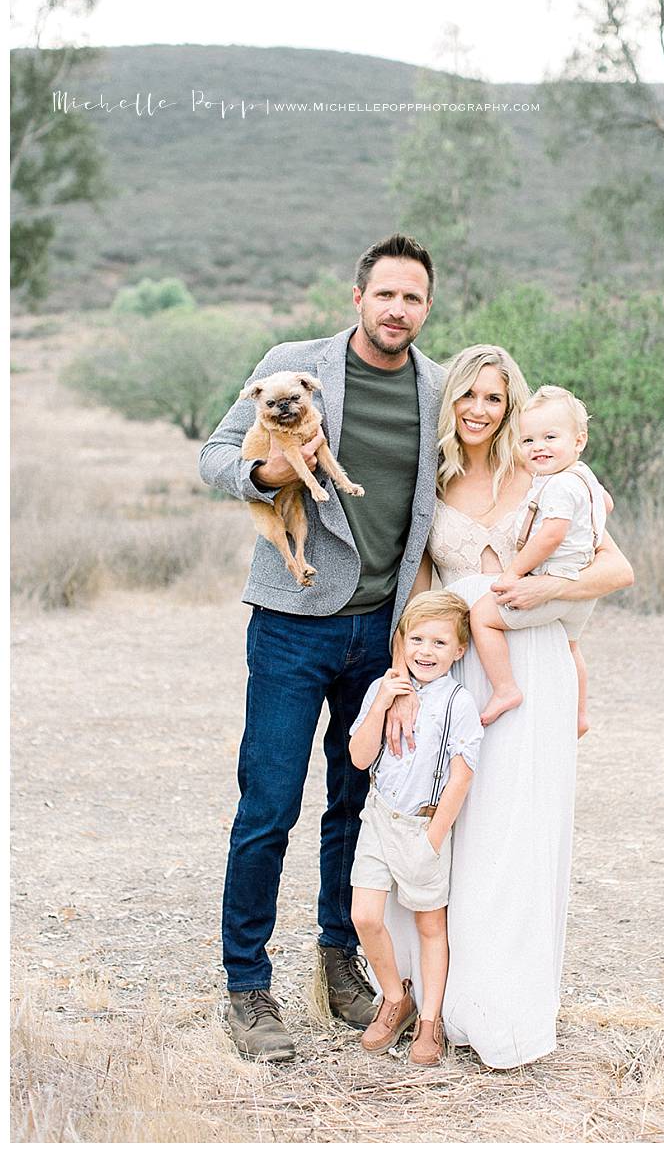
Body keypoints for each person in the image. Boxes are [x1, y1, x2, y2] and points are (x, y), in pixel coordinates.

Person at [198, 234, 446, 1062]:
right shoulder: (292, 367)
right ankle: (247, 987)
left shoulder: (440, 388)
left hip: (381, 634)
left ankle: (339, 963)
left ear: (427, 307)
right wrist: (269, 477)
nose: (398, 310)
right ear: (359, 298)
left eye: (413, 298)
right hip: (290, 626)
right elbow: (215, 456)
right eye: (386, 295)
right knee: (268, 802)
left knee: (354, 804)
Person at [380, 345, 634, 1069]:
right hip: (455, 663)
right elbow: (423, 590)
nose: (478, 411)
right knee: (446, 823)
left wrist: (546, 591)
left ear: (511, 405)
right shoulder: (435, 481)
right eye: (466, 396)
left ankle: (500, 1002)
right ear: (449, 402)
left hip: (531, 659)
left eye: (493, 398)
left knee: (513, 829)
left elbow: (617, 566)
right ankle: (428, 995)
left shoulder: (548, 472)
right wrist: (403, 680)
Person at [348, 591, 483, 1065]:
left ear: (459, 651)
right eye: (417, 640)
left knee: (430, 926)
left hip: (423, 827)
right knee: (365, 915)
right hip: (379, 817)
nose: (426, 651)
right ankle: (393, 996)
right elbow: (360, 756)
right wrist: (383, 700)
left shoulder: (458, 703)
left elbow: (463, 774)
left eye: (440, 643)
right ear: (401, 643)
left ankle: (430, 1020)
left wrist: (434, 836)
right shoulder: (382, 690)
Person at [469, 384, 611, 740]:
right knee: (570, 646)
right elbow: (605, 504)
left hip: (554, 580)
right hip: (581, 588)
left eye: (550, 437)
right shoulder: (584, 477)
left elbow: (551, 535)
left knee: (483, 617)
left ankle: (504, 688)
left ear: (578, 441)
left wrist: (514, 572)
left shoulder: (559, 486)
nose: (538, 448)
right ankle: (580, 714)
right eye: (528, 441)